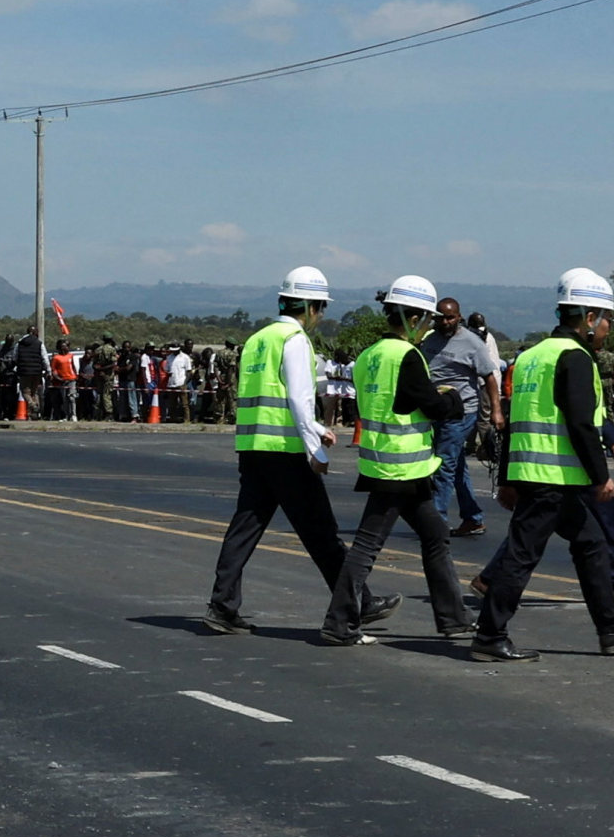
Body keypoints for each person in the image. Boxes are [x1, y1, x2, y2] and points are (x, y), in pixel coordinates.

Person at [471, 269, 614, 663]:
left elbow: (513, 421)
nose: (609, 327)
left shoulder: (531, 357)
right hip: (552, 478)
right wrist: (601, 477)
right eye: (607, 319)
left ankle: (611, 627)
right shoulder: (575, 358)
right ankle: (489, 634)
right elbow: (581, 423)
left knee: (591, 544)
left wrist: (508, 477)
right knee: (522, 556)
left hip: (537, 474)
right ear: (589, 318)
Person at [206, 267, 367, 636]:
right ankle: (360, 603)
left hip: (254, 446)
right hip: (284, 449)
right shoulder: (294, 339)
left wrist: (316, 428)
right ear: (310, 307)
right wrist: (316, 450)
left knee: (245, 528)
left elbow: (276, 397)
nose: (321, 316)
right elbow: (298, 397)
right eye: (321, 308)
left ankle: (222, 604)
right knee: (322, 532)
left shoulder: (258, 338)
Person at [328, 275, 469, 646]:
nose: (429, 326)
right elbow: (433, 405)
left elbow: (394, 402)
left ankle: (454, 618)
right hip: (401, 466)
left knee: (435, 536)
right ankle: (339, 623)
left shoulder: (369, 356)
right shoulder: (407, 355)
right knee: (367, 547)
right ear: (412, 318)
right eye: (426, 318)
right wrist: (453, 399)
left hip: (385, 463)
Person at [428, 299, 499, 537]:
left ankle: (436, 522)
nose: (445, 322)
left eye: (450, 317)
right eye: (441, 318)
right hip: (436, 410)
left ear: (459, 317)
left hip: (461, 412)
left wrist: (496, 412)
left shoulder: (472, 343)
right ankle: (473, 518)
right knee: (456, 465)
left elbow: (489, 378)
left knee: (443, 464)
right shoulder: (429, 340)